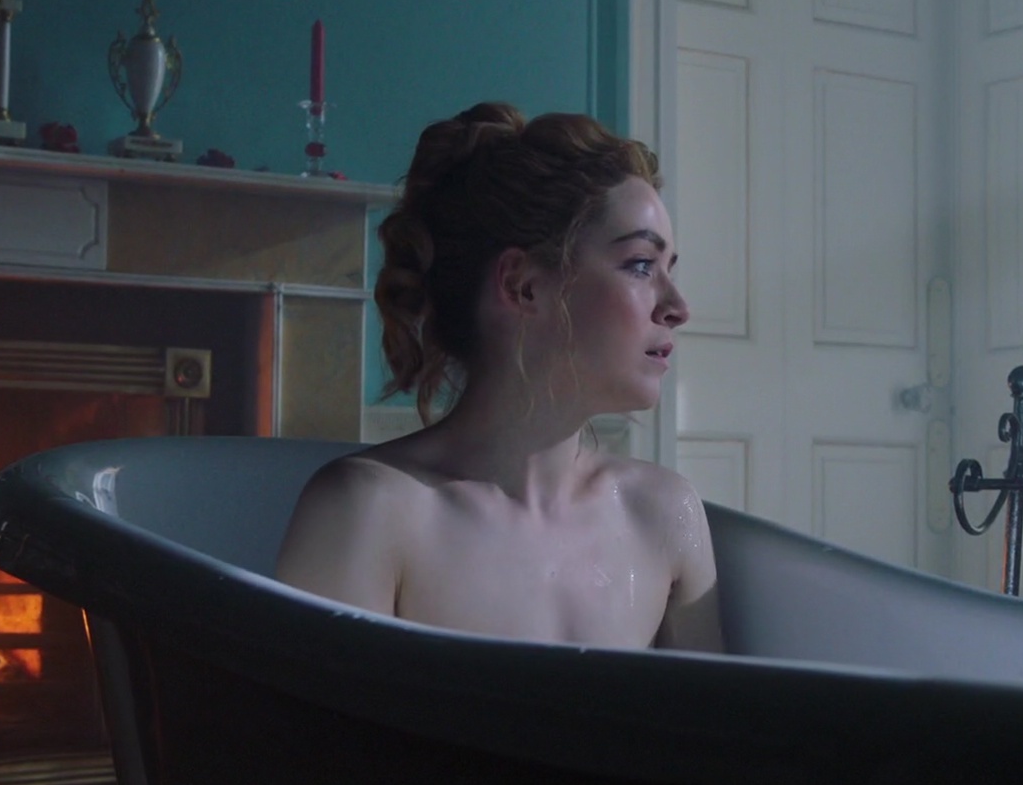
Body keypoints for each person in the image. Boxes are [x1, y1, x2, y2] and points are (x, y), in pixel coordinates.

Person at [274, 103, 721, 652]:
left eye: (668, 269)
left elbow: (709, 711)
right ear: (522, 285)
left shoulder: (664, 514)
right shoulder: (370, 513)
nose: (678, 307)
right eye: (640, 265)